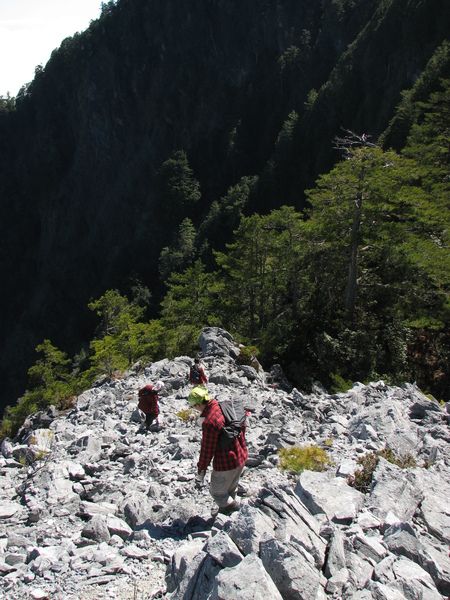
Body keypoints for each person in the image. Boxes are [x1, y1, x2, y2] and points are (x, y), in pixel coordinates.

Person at [188, 386, 248, 515]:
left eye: (194, 407)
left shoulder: (209, 422)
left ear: (198, 405)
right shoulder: (222, 405)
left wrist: (201, 469)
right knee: (230, 488)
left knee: (217, 492)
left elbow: (207, 450)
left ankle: (236, 510)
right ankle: (225, 514)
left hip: (226, 463)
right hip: (241, 454)